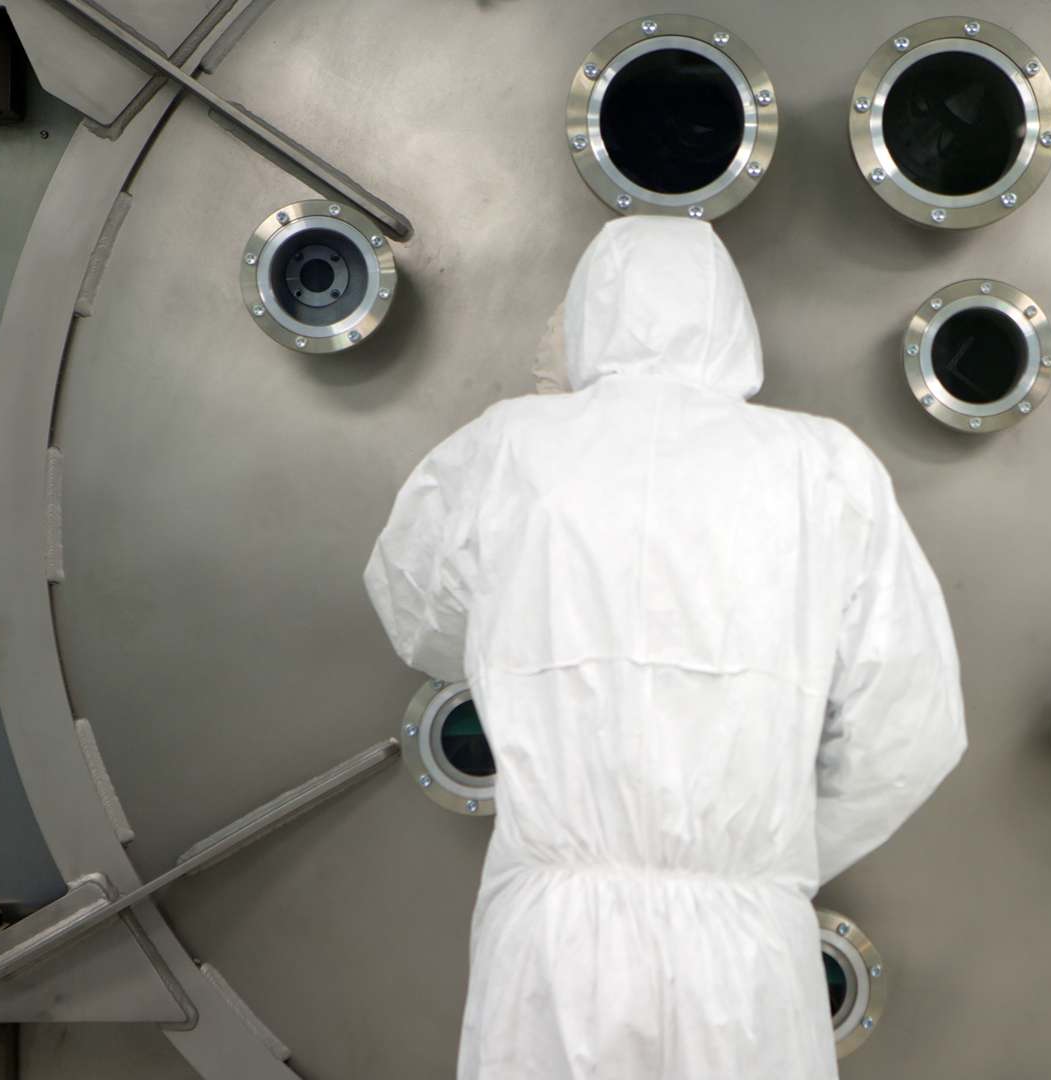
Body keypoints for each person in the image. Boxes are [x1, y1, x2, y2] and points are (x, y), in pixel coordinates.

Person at [364, 216, 966, 1079]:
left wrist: (528, 622)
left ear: (583, 319)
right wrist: (769, 858)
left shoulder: (508, 448)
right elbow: (911, 729)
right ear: (731, 319)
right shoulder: (823, 467)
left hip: (555, 941)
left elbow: (416, 616)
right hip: (746, 948)